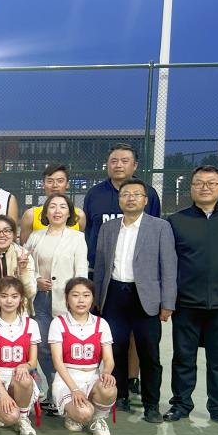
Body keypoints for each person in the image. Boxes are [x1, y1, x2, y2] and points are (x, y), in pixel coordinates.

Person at [165, 166, 218, 427]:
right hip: (186, 302)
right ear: (191, 187)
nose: (205, 187)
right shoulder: (176, 221)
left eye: (211, 183)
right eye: (199, 183)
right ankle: (181, 404)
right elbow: (170, 260)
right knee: (183, 358)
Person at [94, 177, 176, 421]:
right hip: (114, 296)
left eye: (136, 194)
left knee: (149, 354)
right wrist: (98, 298)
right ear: (119, 200)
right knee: (115, 350)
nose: (130, 198)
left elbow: (169, 267)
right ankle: (119, 397)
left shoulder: (160, 227)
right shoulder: (109, 228)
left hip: (146, 300)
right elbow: (101, 265)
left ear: (145, 200)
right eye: (125, 194)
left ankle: (151, 405)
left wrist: (168, 303)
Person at [24, 193, 88, 408]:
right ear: (46, 212)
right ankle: (52, 391)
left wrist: (78, 298)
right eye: (52, 207)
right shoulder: (35, 237)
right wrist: (36, 280)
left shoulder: (77, 238)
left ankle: (65, 392)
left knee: (63, 348)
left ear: (69, 213)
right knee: (42, 346)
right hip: (40, 300)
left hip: (65, 301)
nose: (57, 211)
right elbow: (25, 266)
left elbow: (81, 271)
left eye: (62, 207)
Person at [49, 277, 117, 435]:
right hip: (67, 379)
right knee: (83, 413)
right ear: (67, 298)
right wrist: (74, 389)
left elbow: (109, 359)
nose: (81, 300)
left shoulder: (101, 324)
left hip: (92, 375)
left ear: (92, 298)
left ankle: (98, 419)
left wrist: (106, 373)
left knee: (109, 388)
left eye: (86, 295)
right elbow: (57, 362)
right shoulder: (58, 323)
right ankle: (74, 415)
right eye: (75, 295)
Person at [83, 143, 161, 273]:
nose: (118, 165)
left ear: (135, 165)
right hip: (100, 267)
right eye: (114, 161)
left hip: (139, 269)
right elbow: (88, 229)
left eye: (124, 161)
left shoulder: (149, 193)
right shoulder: (94, 194)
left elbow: (155, 230)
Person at [0, 276, 40, 435]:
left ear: (21, 299)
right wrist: (2, 393)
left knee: (24, 378)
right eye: (4, 296)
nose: (9, 301)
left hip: (19, 376)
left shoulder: (31, 324)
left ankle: (23, 417)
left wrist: (25, 366)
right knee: (9, 417)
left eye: (14, 296)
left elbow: (33, 362)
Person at [19, 164, 86, 244]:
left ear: (67, 184)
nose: (55, 185)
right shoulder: (31, 215)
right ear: (43, 184)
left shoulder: (79, 215)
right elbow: (24, 248)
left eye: (60, 181)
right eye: (50, 181)